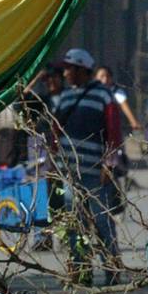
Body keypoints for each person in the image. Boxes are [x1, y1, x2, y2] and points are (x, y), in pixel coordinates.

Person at [52, 48, 122, 278]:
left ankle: (112, 268)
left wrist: (108, 165)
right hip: (69, 173)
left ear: (82, 69)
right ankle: (82, 270)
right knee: (75, 224)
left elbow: (114, 133)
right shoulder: (65, 97)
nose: (65, 74)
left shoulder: (104, 96)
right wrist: (53, 164)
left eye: (69, 68)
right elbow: (55, 131)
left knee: (101, 221)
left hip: (95, 172)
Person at [95, 65, 142, 132]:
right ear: (95, 77)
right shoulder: (90, 91)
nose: (105, 79)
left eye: (108, 76)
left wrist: (133, 121)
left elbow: (124, 105)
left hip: (110, 127)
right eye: (101, 76)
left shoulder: (116, 91)